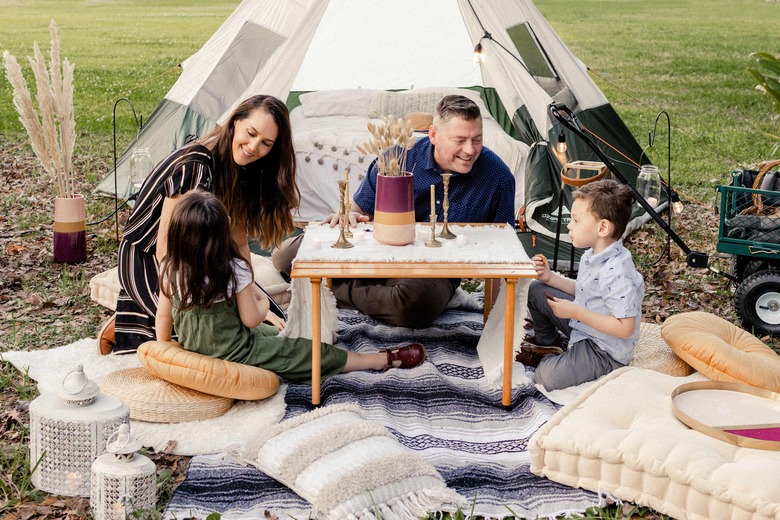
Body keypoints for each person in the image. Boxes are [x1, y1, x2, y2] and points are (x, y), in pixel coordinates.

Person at [272, 94, 515, 328]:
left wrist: (497, 319)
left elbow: (504, 250)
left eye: (477, 139)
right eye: (460, 140)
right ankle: (371, 289)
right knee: (284, 257)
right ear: (433, 135)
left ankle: (326, 286)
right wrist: (350, 215)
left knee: (412, 305)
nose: (470, 150)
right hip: (380, 250)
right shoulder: (398, 159)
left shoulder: (498, 177)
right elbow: (358, 209)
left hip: (435, 270)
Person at [155, 190, 426, 382]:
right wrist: (263, 305)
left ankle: (296, 340)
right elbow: (250, 319)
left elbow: (164, 318)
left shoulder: (170, 268)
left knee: (275, 332)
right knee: (304, 351)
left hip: (197, 350)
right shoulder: (233, 268)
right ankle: (379, 360)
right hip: (237, 353)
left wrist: (166, 354)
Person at [99, 95, 299, 354]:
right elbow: (165, 248)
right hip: (151, 257)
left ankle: (141, 315)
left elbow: (239, 243)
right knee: (202, 333)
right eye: (251, 133)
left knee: (273, 318)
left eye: (266, 143)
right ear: (235, 121)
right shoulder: (196, 166)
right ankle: (129, 322)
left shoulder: (243, 168)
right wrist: (177, 298)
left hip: (203, 259)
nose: (253, 147)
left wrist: (251, 298)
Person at [518, 179, 644, 391]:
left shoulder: (617, 272)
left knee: (545, 377)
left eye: (576, 220)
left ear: (602, 228)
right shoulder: (593, 254)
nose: (569, 225)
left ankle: (557, 361)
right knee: (537, 289)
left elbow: (625, 328)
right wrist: (550, 278)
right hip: (584, 326)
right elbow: (586, 290)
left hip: (603, 349)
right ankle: (548, 344)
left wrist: (576, 312)